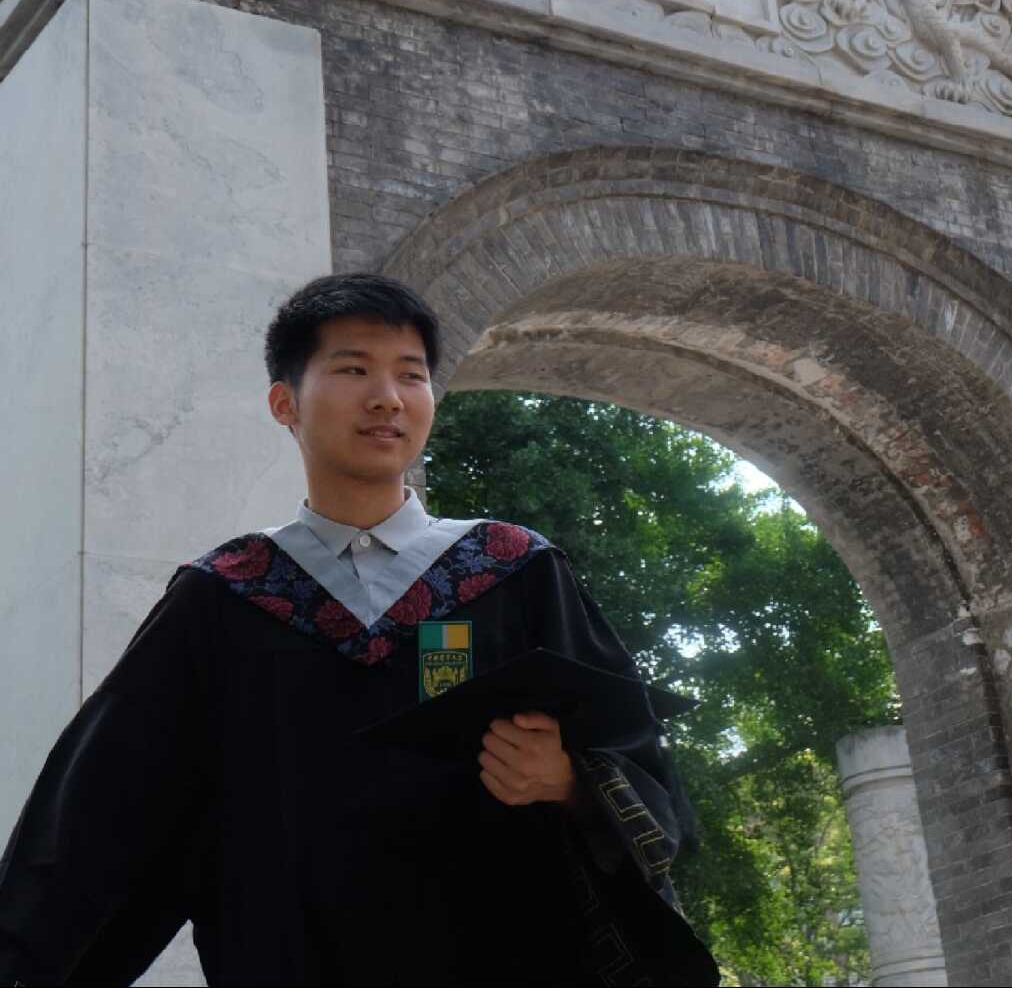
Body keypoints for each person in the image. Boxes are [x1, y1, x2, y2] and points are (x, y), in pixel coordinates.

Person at [0, 273, 718, 987]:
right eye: (353, 370)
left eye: (411, 374)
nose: (388, 397)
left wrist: (569, 783)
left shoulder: (513, 571)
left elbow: (636, 755)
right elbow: (107, 806)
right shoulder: (225, 596)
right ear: (285, 402)